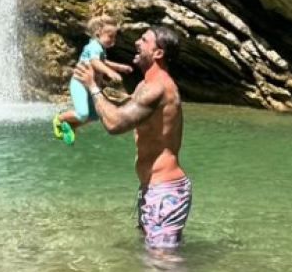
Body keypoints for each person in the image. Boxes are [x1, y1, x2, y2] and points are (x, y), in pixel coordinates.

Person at [73, 25, 191, 252]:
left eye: (144, 40)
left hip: (165, 189)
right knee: (155, 259)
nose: (136, 42)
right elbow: (121, 110)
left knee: (163, 265)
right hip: (152, 188)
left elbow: (115, 124)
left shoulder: (157, 88)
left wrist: (93, 87)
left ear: (158, 53)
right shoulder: (144, 86)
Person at [52, 15, 132, 145]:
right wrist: (109, 72)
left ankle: (72, 125)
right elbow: (95, 62)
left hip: (89, 85)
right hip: (79, 83)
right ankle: (59, 119)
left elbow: (103, 61)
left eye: (114, 37)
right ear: (98, 34)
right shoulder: (94, 47)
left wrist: (119, 67)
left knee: (94, 115)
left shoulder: (99, 47)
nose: (113, 40)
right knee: (83, 114)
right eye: (110, 36)